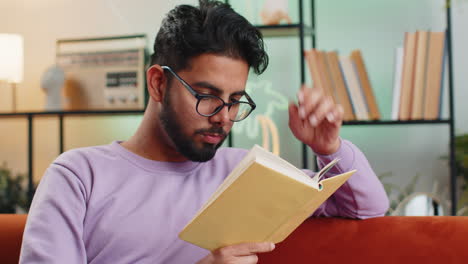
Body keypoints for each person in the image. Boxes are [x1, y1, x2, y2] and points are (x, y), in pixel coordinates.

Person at [19, 1, 389, 263]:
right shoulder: (79, 176)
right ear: (158, 84)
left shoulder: (245, 172)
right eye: (207, 96)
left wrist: (330, 147)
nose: (224, 117)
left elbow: (367, 209)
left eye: (235, 100)